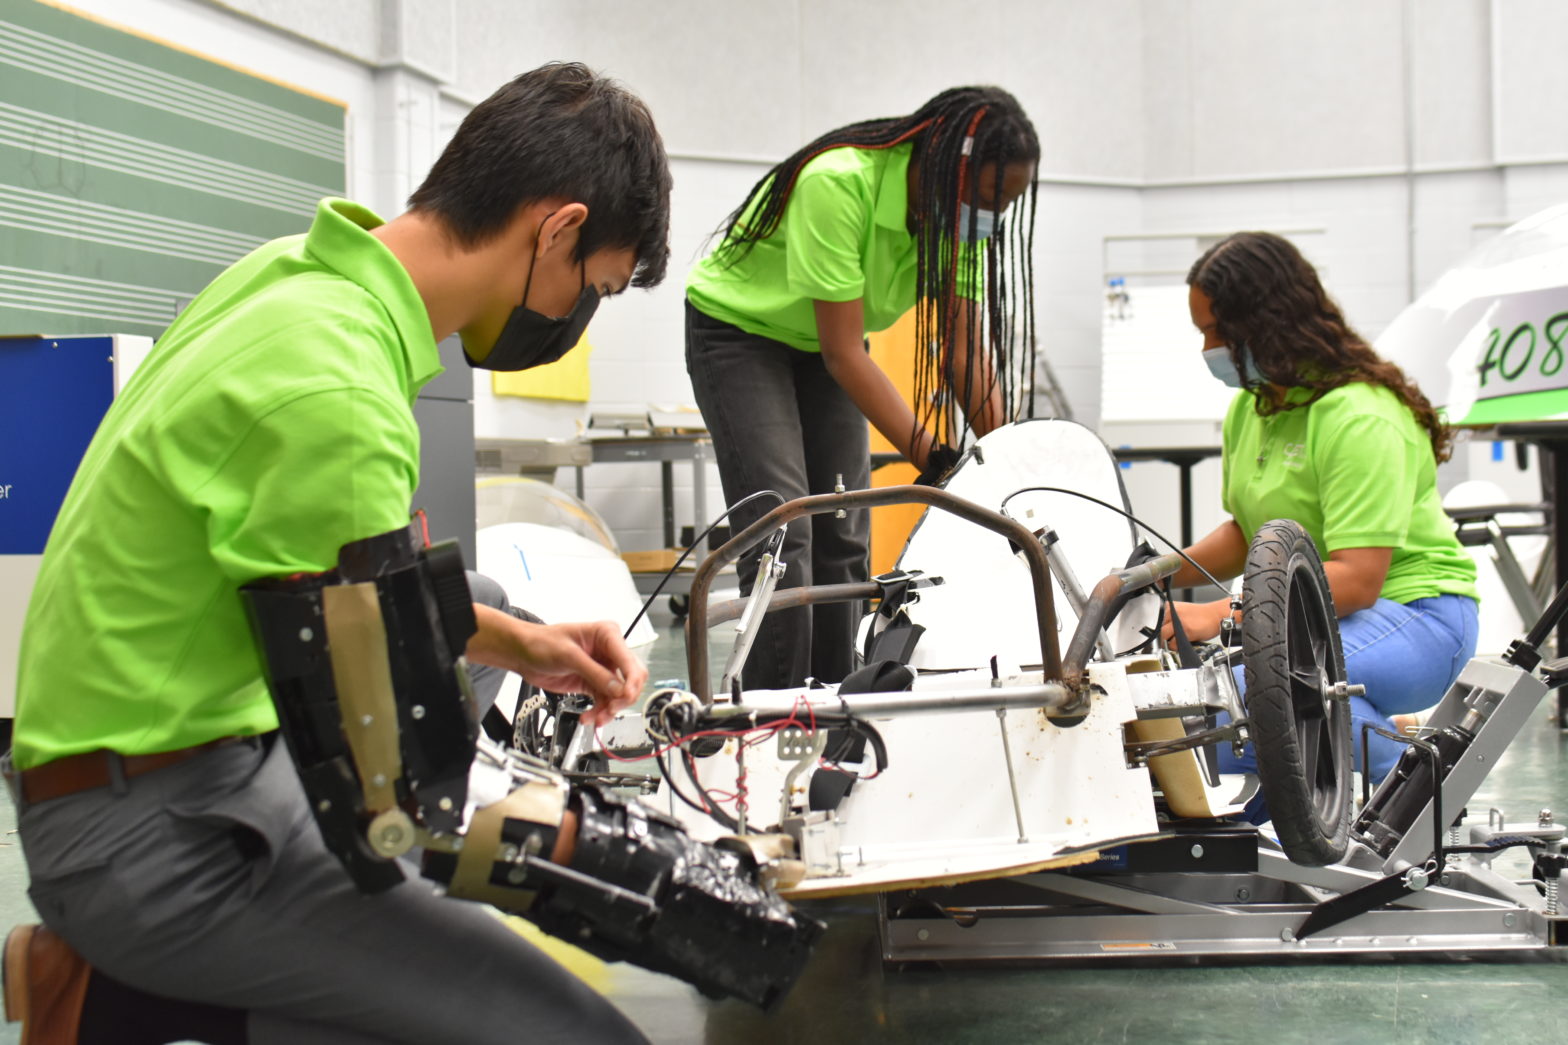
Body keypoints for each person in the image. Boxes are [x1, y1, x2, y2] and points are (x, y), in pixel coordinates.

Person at [4, 62, 670, 1044]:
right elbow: (407, 799)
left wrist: (521, 646)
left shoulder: (294, 278)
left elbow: (347, 584)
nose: (578, 309)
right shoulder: (338, 394)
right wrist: (642, 875)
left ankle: (122, 997)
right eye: (592, 285)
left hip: (195, 756)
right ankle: (126, 979)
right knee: (568, 1031)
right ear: (556, 229)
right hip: (151, 839)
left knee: (473, 597)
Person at [685, 86, 1041, 690]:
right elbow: (844, 352)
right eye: (987, 200)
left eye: (1005, 207)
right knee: (784, 527)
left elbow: (962, 351)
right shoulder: (839, 183)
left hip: (823, 347)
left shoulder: (958, 227)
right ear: (950, 163)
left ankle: (840, 700)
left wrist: (1008, 460)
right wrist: (934, 457)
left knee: (846, 525)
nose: (991, 221)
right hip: (742, 335)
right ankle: (780, 711)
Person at [1161, 231, 1480, 787]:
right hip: (1319, 611)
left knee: (1240, 696)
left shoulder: (1360, 416)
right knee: (1216, 703)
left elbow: (1358, 579)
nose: (1207, 347)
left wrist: (1219, 615)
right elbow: (1246, 534)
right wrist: (1150, 576)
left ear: (1267, 321)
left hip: (1417, 615)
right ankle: (1369, 735)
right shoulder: (1254, 408)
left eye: (1217, 331)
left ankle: (1414, 790)